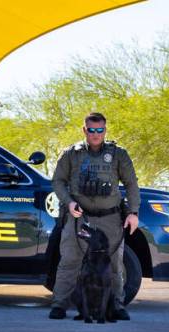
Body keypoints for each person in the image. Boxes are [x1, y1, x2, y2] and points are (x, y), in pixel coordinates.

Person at [49, 112, 138, 321]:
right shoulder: (71, 154)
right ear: (84, 130)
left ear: (105, 130)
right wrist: (69, 202)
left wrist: (133, 212)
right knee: (70, 259)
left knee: (114, 263)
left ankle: (116, 305)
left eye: (100, 130)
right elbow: (58, 181)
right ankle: (59, 304)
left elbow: (132, 184)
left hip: (110, 218)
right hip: (79, 216)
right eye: (91, 130)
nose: (96, 134)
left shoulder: (118, 154)